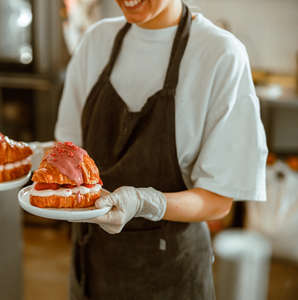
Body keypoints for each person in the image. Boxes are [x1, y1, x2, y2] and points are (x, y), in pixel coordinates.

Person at [55, 0, 268, 299]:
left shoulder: (220, 54)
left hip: (172, 275)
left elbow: (219, 200)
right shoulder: (95, 42)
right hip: (94, 266)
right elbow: (69, 149)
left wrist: (146, 202)